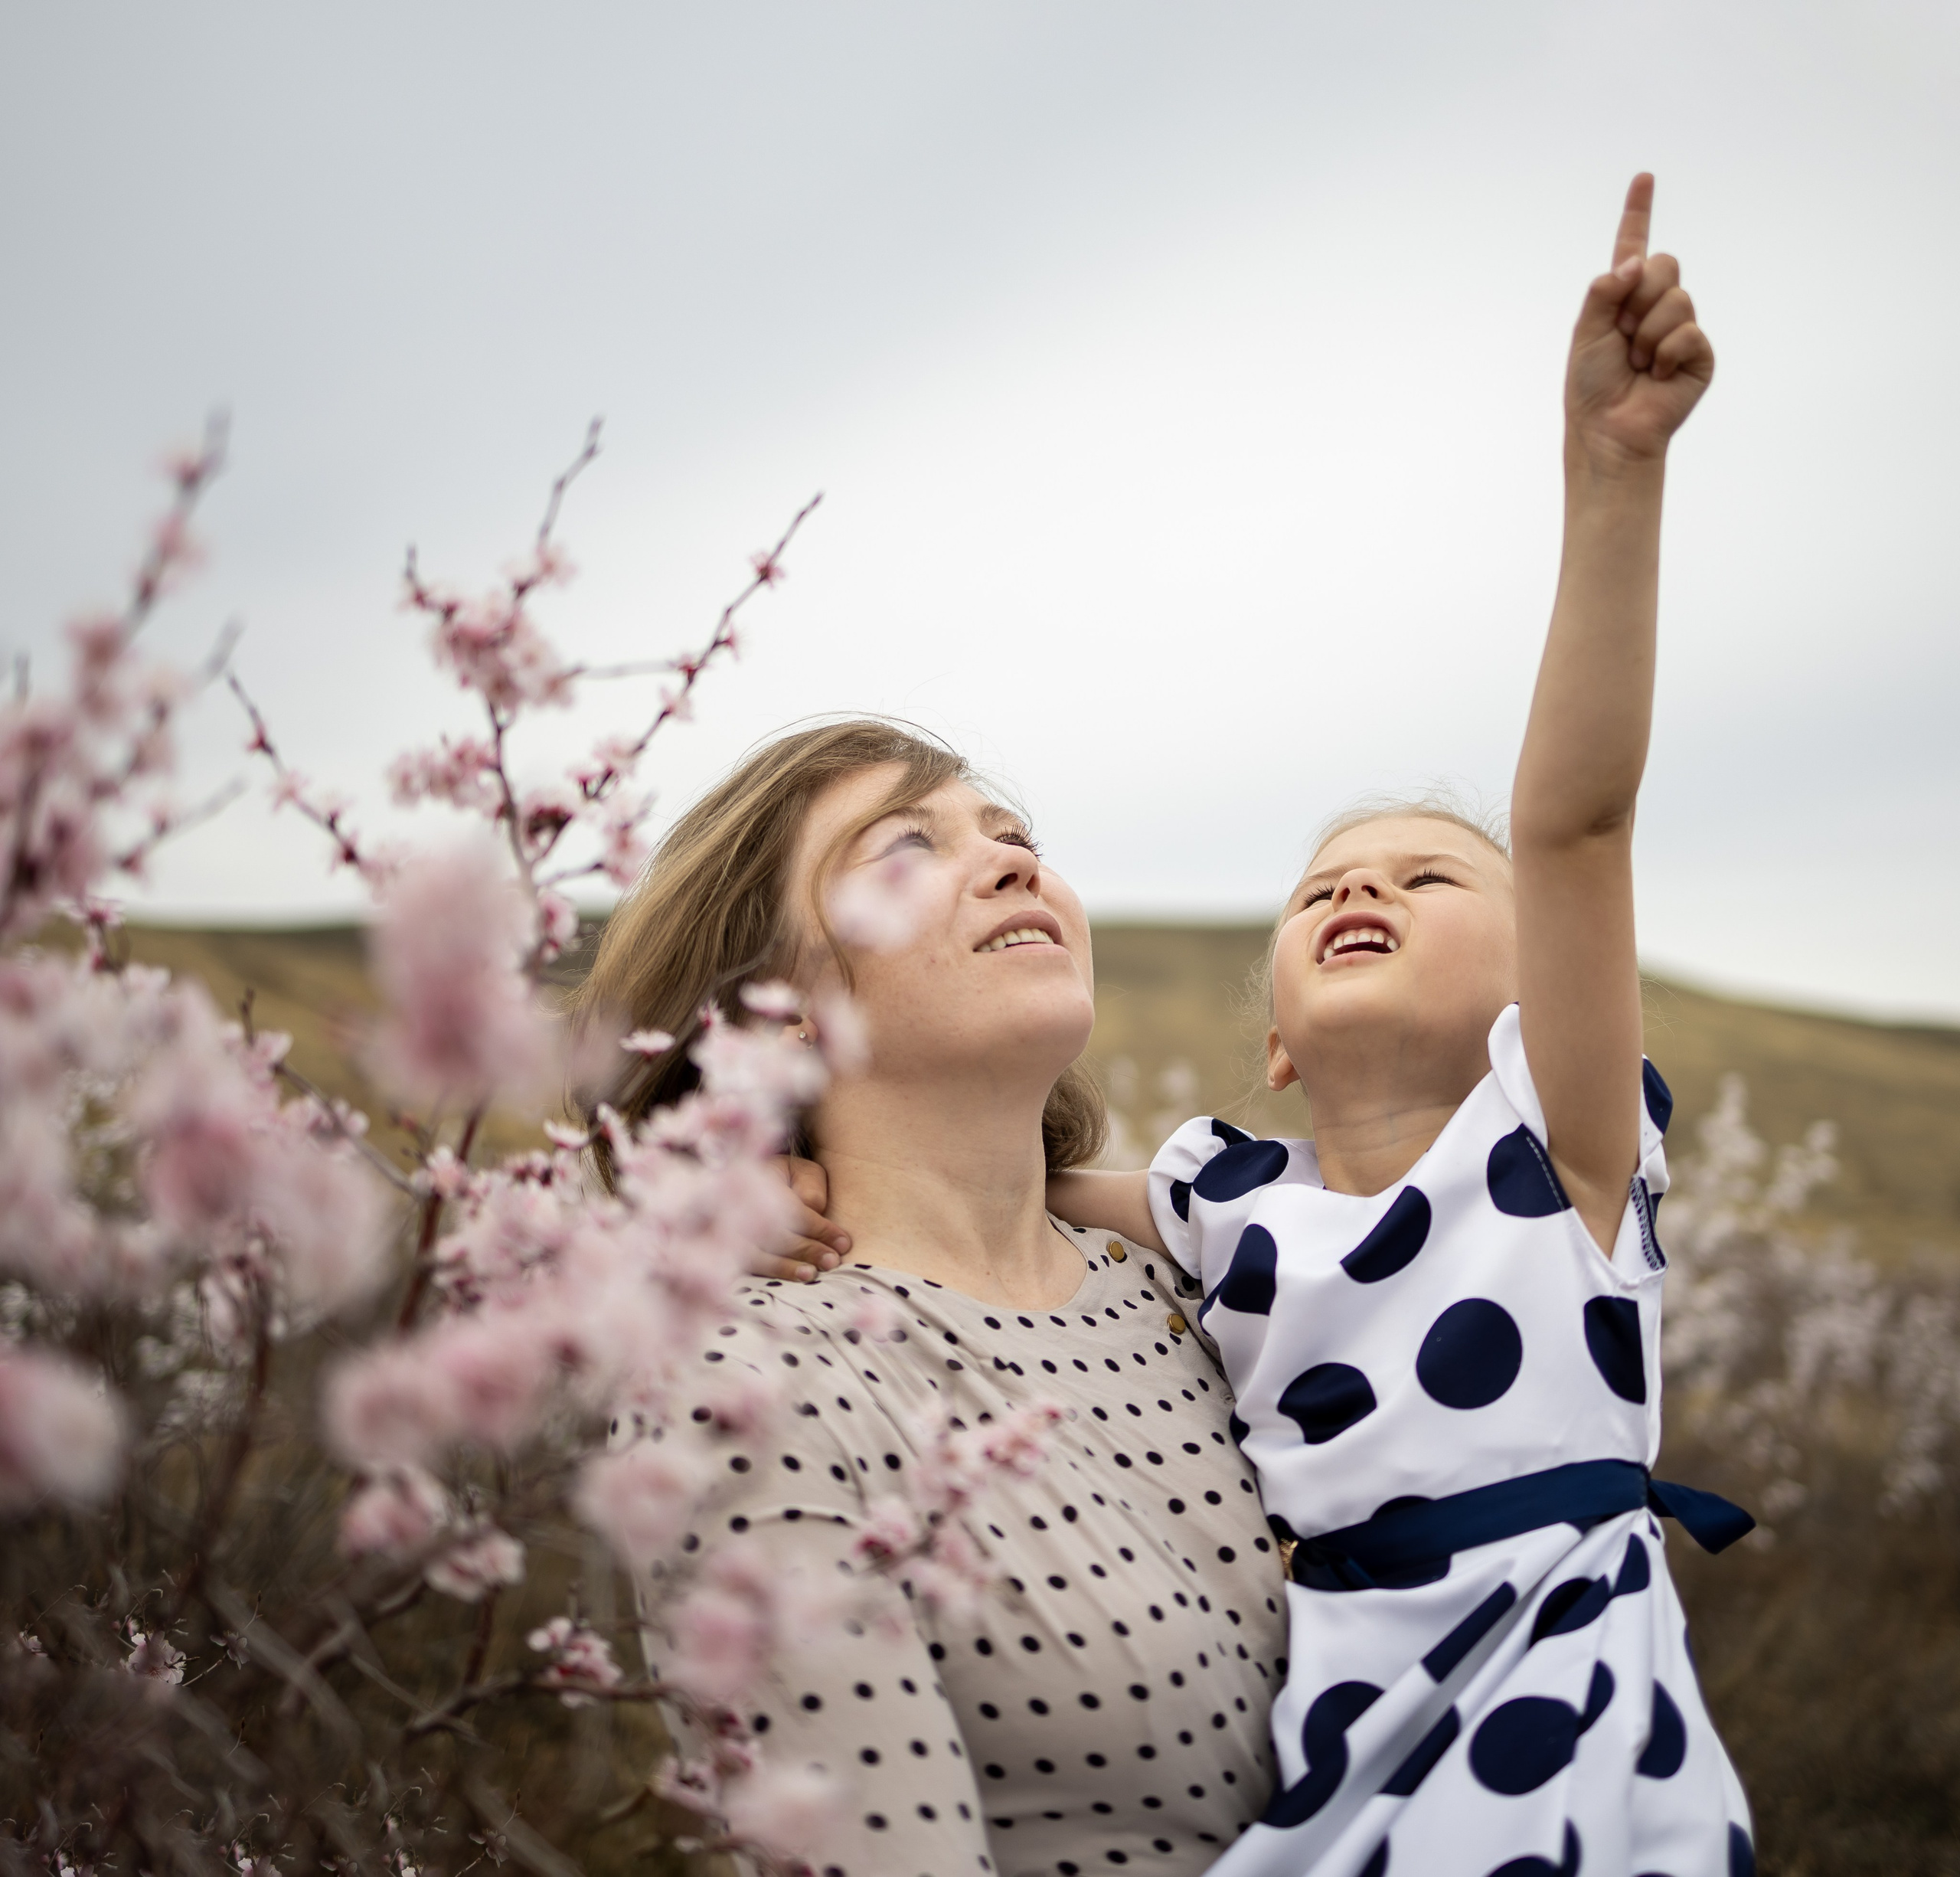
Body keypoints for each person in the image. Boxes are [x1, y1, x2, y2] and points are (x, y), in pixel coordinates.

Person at [1043, 175, 1753, 1877]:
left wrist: (1612, 473)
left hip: (1564, 1722)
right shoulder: (1224, 1198)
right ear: (1275, 1041)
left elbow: (1573, 817)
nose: (1361, 886)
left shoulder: (1560, 1149)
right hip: (1341, 1737)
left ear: (1538, 994)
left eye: (1429, 877)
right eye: (1320, 887)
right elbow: (996, 1173)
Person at [576, 721, 1290, 1877]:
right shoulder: (741, 1384)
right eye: (907, 849)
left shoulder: (1198, 1291)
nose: (1012, 863)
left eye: (1016, 837)